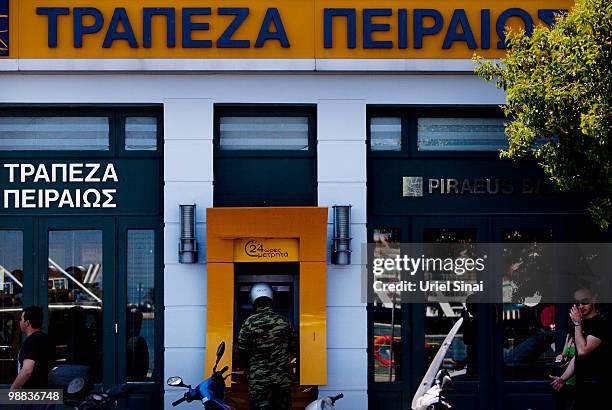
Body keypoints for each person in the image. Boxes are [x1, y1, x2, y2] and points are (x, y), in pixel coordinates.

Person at [236, 283, 297, 410]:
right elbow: (294, 347)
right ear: (271, 299)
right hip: (282, 379)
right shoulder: (284, 321)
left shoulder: (249, 323)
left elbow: (241, 351)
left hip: (259, 380)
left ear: (253, 299)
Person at [549, 287, 608, 410]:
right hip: (581, 385)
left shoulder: (601, 323)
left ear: (594, 299)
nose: (581, 306)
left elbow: (583, 351)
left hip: (598, 386)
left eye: (585, 301)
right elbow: (577, 356)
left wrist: (577, 323)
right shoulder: (581, 325)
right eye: (577, 302)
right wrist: (563, 378)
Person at [10, 306, 52, 391]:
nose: (20, 321)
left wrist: (13, 389)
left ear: (27, 323)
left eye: (21, 319)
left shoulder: (30, 342)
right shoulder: (47, 339)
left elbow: (27, 370)